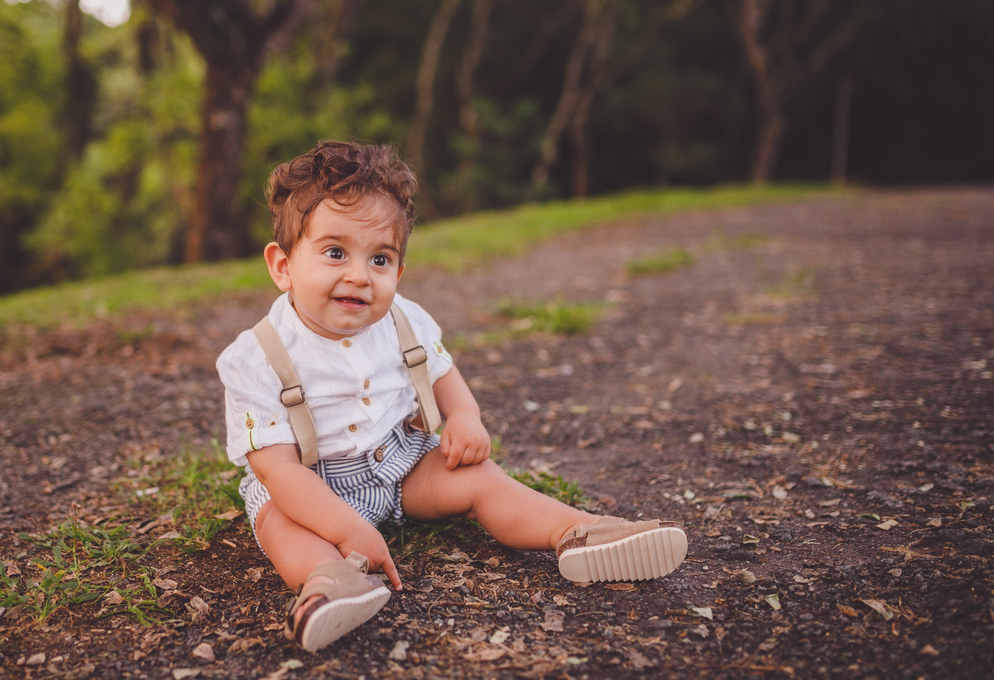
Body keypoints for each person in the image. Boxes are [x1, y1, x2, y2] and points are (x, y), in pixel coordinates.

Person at [216, 141, 687, 652]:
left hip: (401, 464)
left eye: (380, 259)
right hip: (308, 487)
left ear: (398, 273)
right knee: (280, 523)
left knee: (479, 477)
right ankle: (330, 581)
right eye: (335, 253)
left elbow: (441, 373)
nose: (359, 275)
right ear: (282, 265)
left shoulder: (405, 320)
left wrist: (463, 416)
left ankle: (577, 532)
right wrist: (347, 528)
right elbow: (278, 471)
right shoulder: (255, 357)